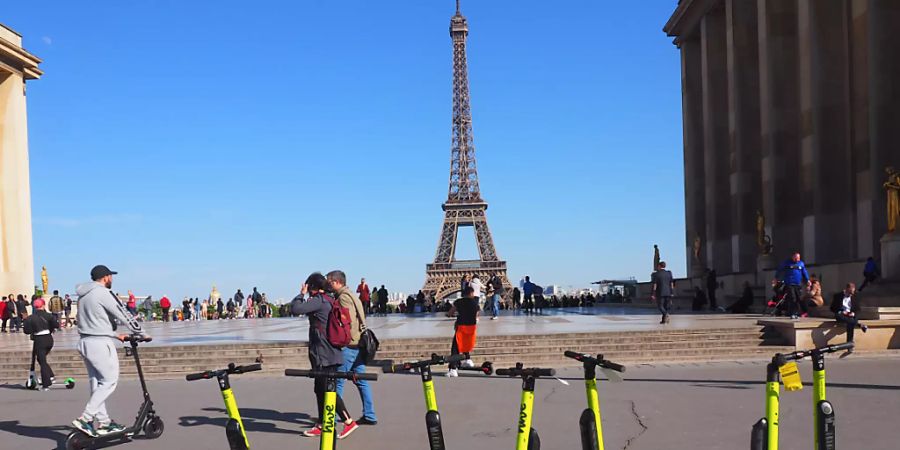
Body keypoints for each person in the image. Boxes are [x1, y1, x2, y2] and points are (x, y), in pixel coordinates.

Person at [71, 265, 147, 437]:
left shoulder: (83, 296)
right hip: (100, 343)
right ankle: (86, 418)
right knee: (109, 381)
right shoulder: (102, 293)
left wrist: (114, 334)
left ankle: (104, 423)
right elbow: (122, 313)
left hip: (85, 341)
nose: (111, 279)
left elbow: (92, 320)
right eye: (110, 276)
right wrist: (141, 332)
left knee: (96, 383)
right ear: (105, 277)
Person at [291, 273, 358, 439]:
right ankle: (322, 424)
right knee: (321, 390)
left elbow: (296, 309)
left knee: (327, 390)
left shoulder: (319, 300)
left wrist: (301, 294)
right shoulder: (329, 299)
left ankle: (348, 421)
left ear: (312, 287)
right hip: (330, 352)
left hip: (324, 354)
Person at [327, 270, 377, 426]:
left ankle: (333, 417)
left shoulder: (343, 298)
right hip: (358, 344)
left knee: (338, 381)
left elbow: (347, 323)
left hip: (351, 345)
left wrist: (344, 341)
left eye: (329, 282)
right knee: (361, 380)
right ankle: (369, 415)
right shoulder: (351, 294)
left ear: (336, 282)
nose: (328, 284)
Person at [23, 298, 60, 390]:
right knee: (40, 359)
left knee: (42, 361)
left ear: (34, 307)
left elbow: (27, 331)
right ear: (43, 306)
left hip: (39, 340)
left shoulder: (30, 318)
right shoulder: (49, 316)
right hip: (49, 339)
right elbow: (56, 325)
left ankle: (46, 384)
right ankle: (51, 376)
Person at [446, 285, 479, 377]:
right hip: (471, 327)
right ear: (471, 293)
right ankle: (468, 360)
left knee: (455, 348)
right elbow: (476, 315)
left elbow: (450, 312)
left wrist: (448, 315)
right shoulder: (475, 303)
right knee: (466, 343)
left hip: (461, 327)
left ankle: (453, 369)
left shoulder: (459, 302)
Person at [830, 282, 868, 350]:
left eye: (853, 292)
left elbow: (858, 309)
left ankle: (849, 345)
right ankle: (859, 325)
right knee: (845, 319)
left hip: (850, 316)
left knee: (851, 323)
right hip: (841, 315)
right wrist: (841, 312)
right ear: (846, 289)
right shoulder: (838, 296)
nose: (851, 294)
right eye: (850, 292)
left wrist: (853, 313)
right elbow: (832, 308)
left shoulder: (854, 296)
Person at [776, 252, 811, 319]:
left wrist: (807, 280)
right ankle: (792, 313)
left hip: (798, 284)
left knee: (798, 298)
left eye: (798, 258)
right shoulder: (786, 263)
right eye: (796, 258)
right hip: (789, 283)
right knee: (792, 298)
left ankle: (797, 312)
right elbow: (779, 270)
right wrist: (777, 278)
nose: (797, 259)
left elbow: (804, 272)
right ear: (792, 257)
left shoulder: (801, 264)